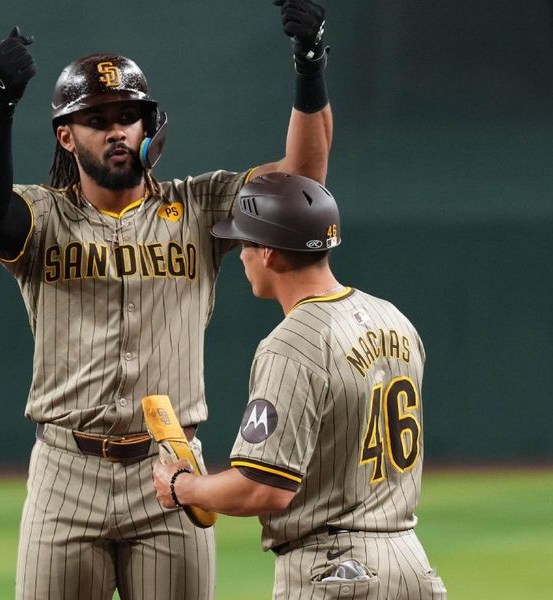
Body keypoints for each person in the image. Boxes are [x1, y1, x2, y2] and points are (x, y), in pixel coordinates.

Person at [0, 1, 332, 598]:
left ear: (149, 125)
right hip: (66, 471)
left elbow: (303, 185)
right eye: (98, 118)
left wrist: (310, 67)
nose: (117, 129)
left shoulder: (198, 206)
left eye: (130, 116)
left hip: (172, 470)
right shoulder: (43, 216)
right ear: (66, 134)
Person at [152, 173, 448, 599]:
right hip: (412, 565)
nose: (239, 256)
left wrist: (184, 487)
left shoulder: (291, 344)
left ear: (268, 252)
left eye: (243, 243)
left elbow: (264, 487)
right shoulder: (394, 319)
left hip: (336, 572)